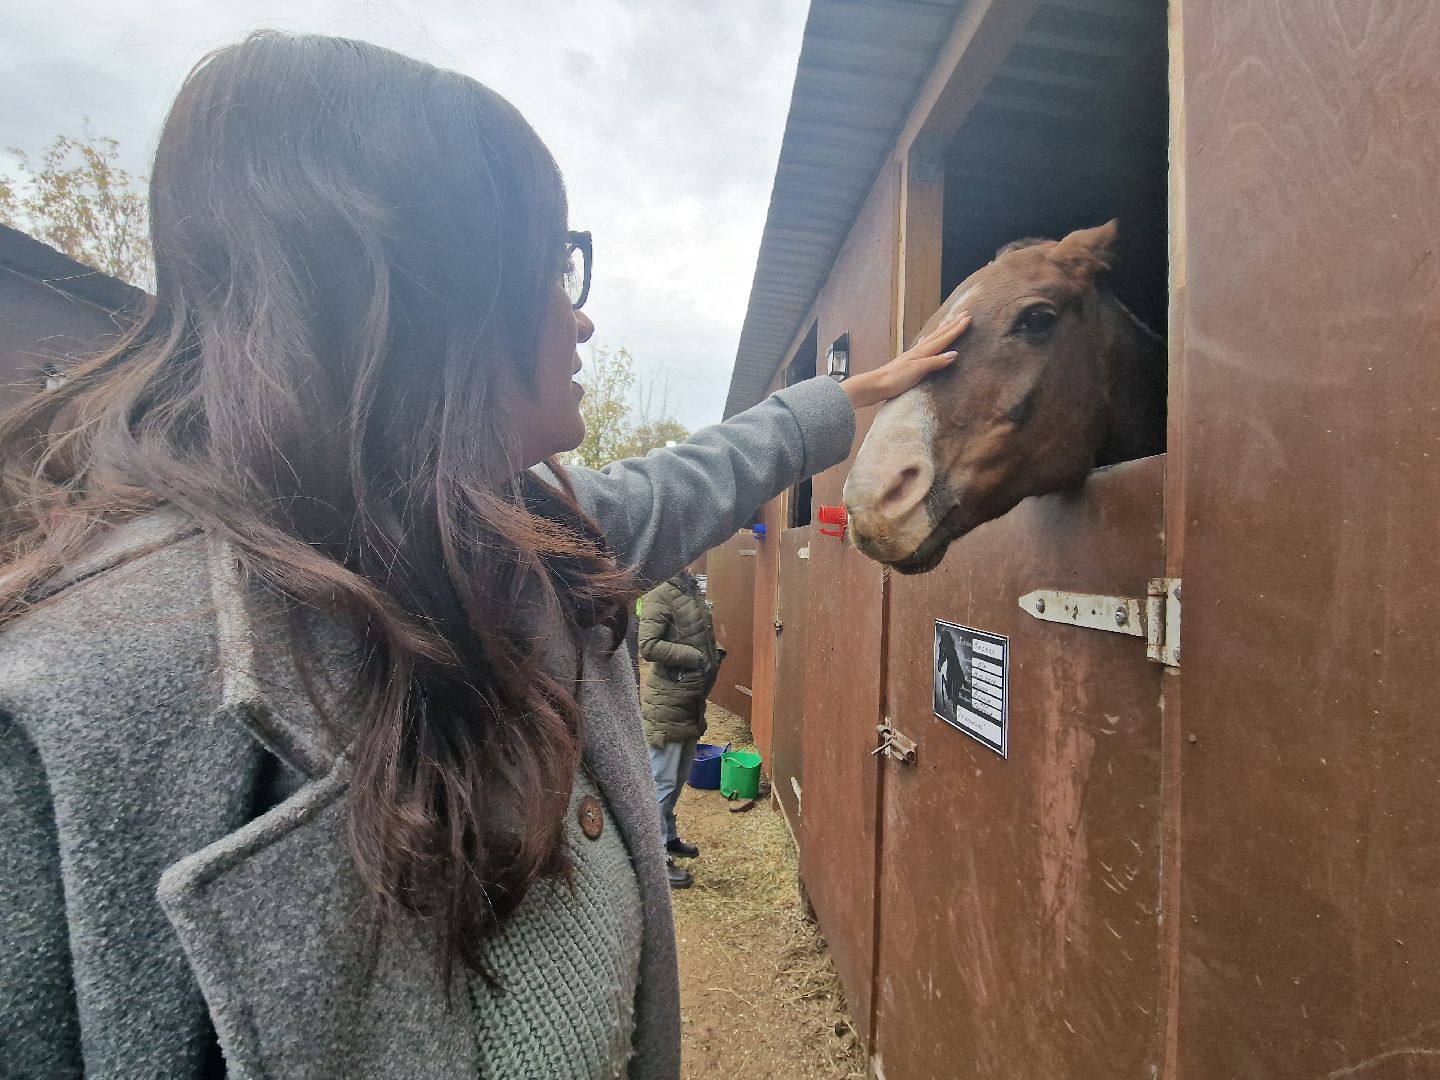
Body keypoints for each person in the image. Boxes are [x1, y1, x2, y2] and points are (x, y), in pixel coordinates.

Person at [0, 32, 969, 1079]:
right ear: (421, 299)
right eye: (553, 270)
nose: (581, 318)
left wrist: (847, 398)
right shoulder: (69, 698)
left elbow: (686, 478)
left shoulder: (513, 537)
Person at [637, 568, 724, 889]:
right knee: (660, 782)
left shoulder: (688, 588)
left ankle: (669, 837)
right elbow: (648, 645)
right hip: (667, 704)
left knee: (676, 780)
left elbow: (694, 632)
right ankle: (655, 856)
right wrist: (695, 657)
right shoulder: (659, 592)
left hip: (688, 702)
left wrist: (713, 655)